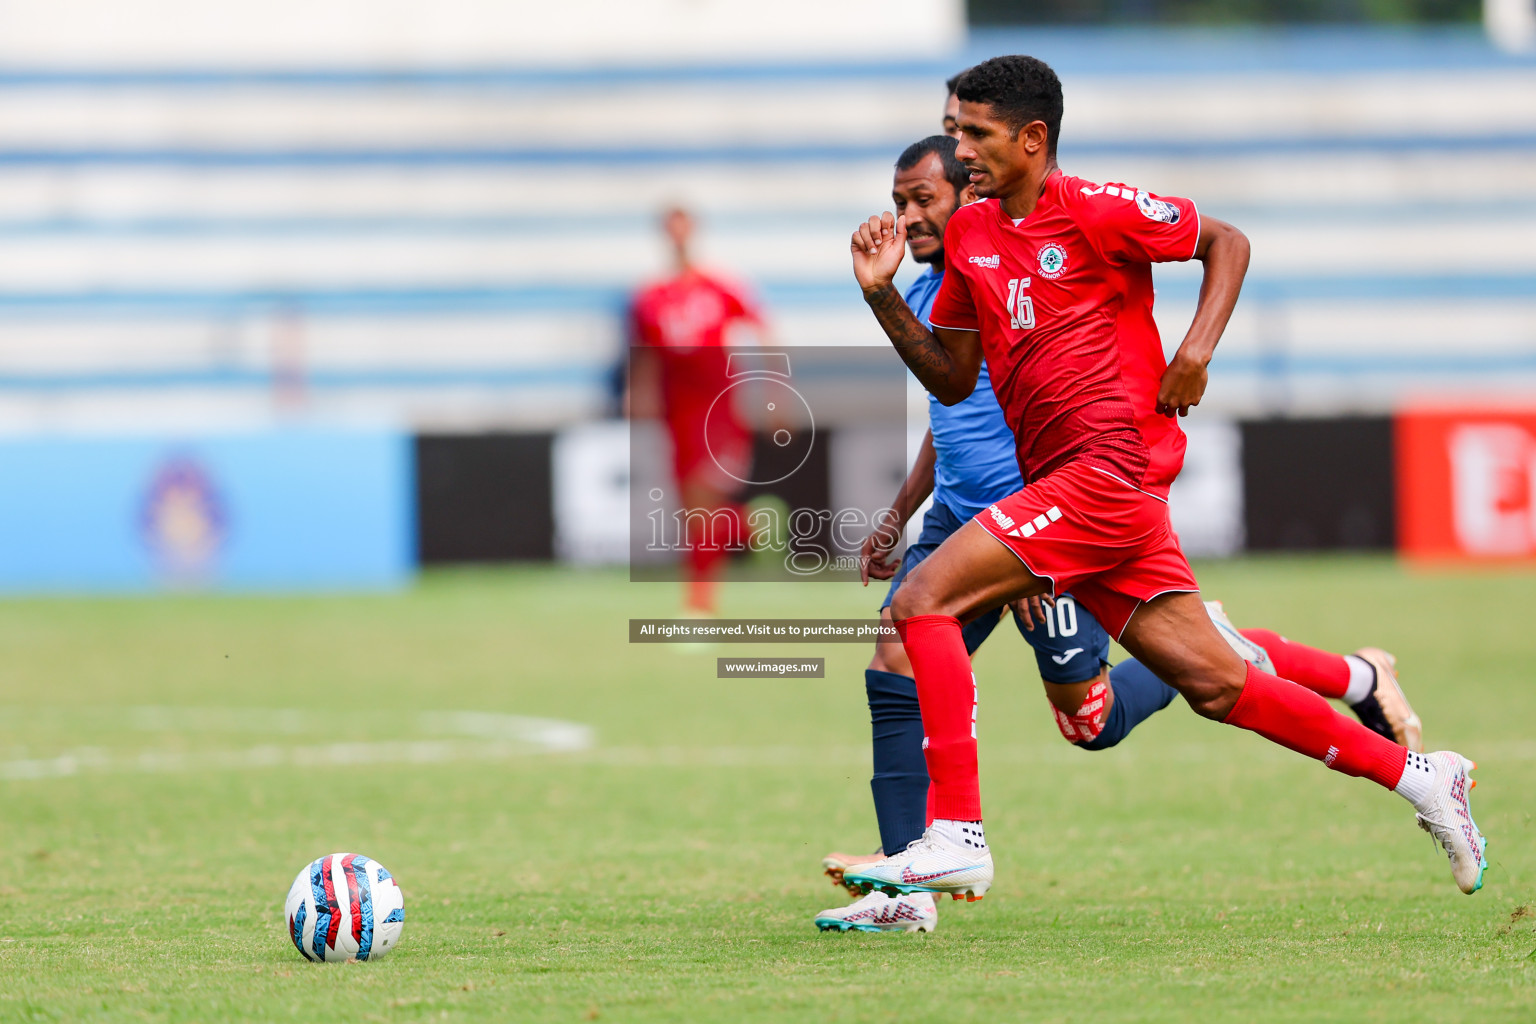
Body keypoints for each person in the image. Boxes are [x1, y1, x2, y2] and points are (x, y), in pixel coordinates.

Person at [842, 55, 1485, 906]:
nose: (959, 151)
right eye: (953, 129)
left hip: (1104, 472)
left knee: (921, 600)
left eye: (974, 134)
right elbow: (954, 380)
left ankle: (956, 833)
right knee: (1216, 685)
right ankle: (1423, 777)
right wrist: (883, 298)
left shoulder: (1097, 210)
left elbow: (1228, 241)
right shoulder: (970, 235)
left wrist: (1194, 352)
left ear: (1032, 139)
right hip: (1086, 491)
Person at [628, 207, 766, 614]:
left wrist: (776, 395)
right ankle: (748, 523)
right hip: (677, 412)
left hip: (719, 410)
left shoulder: (720, 286)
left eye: (683, 228)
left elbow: (762, 329)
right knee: (692, 510)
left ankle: (699, 605)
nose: (677, 237)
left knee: (704, 500)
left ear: (693, 232)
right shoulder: (650, 297)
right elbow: (647, 354)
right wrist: (639, 392)